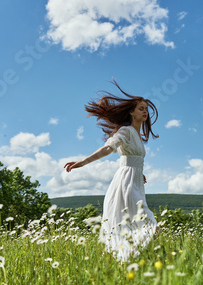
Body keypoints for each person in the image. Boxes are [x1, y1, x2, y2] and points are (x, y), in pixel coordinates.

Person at [64, 81, 159, 262]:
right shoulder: (126, 131)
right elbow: (109, 148)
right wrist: (83, 162)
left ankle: (123, 261)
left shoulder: (137, 135)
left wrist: (140, 172)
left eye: (146, 108)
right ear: (131, 112)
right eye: (141, 108)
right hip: (127, 185)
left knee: (135, 227)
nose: (145, 111)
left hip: (135, 181)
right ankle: (126, 260)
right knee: (150, 226)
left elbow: (132, 159)